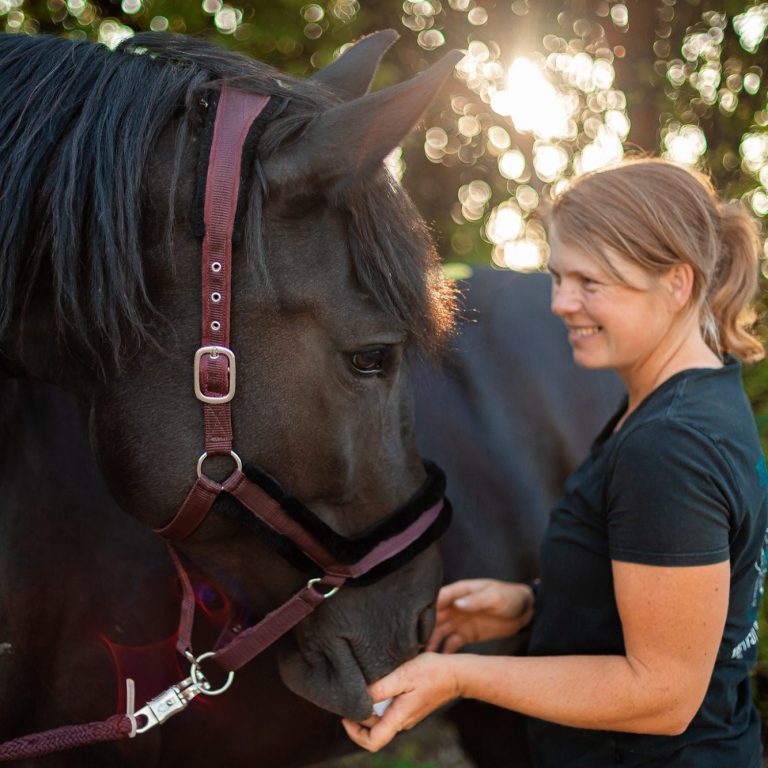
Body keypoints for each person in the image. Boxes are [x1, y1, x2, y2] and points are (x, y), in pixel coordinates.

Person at [342, 158, 768, 767]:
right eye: (558, 277)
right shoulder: (688, 400)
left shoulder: (671, 445)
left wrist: (459, 676)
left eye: (591, 283)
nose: (562, 303)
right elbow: (677, 599)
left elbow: (664, 693)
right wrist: (530, 605)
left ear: (679, 284)